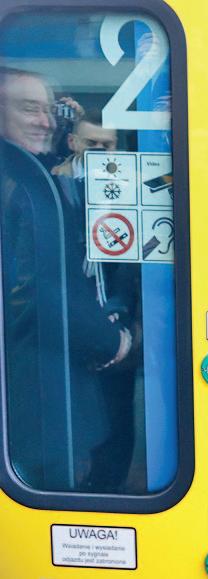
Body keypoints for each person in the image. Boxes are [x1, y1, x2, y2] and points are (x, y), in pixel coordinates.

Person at [0, 68, 132, 491]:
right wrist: (112, 341)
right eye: (29, 109)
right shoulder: (23, 189)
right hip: (37, 393)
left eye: (49, 110)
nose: (45, 121)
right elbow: (45, 289)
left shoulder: (32, 175)